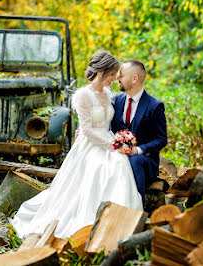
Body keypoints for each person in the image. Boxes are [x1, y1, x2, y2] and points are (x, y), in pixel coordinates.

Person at [11, 51, 142, 239]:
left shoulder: (107, 93)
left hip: (108, 140)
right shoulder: (83, 96)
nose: (114, 79)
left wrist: (118, 141)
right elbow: (89, 131)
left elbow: (101, 122)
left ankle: (119, 221)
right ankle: (91, 221)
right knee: (102, 168)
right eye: (112, 74)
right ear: (101, 72)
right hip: (90, 145)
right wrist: (113, 145)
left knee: (119, 165)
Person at [111, 60, 168, 204]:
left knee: (134, 160)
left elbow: (162, 139)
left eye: (122, 75)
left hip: (144, 160)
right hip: (118, 154)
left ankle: (137, 207)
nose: (118, 79)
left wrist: (138, 150)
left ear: (134, 79)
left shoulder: (155, 106)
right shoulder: (116, 100)